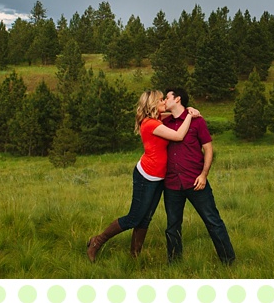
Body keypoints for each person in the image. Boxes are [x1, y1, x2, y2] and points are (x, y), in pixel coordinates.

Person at [86, 89, 199, 262]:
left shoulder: (156, 118)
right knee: (134, 217)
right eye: (161, 100)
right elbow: (178, 135)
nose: (164, 102)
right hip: (146, 176)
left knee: (146, 218)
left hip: (159, 177)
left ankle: (134, 256)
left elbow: (173, 112)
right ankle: (97, 241)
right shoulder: (151, 124)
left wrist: (186, 109)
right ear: (153, 104)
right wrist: (190, 116)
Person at [161, 87, 236, 265]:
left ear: (178, 99)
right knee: (172, 226)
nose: (164, 100)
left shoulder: (197, 121)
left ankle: (228, 261)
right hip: (171, 183)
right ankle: (174, 264)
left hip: (195, 181)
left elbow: (208, 149)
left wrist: (203, 175)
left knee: (213, 221)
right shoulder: (165, 122)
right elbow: (147, 117)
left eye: (167, 97)